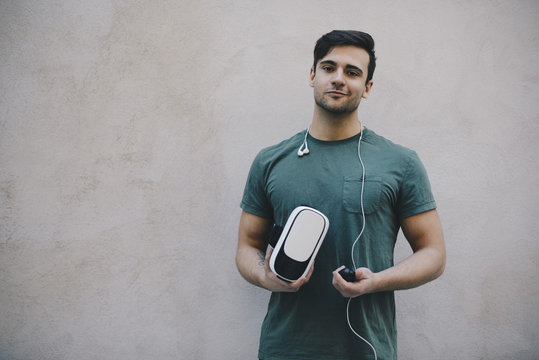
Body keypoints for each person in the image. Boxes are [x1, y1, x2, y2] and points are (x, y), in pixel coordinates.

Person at [236, 30, 446, 360]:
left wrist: (376, 281)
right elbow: (247, 246)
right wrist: (265, 276)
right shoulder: (270, 160)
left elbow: (433, 255)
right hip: (284, 349)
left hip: (366, 350)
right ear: (312, 75)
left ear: (368, 88)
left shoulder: (401, 163)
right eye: (328, 67)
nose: (338, 79)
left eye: (352, 72)